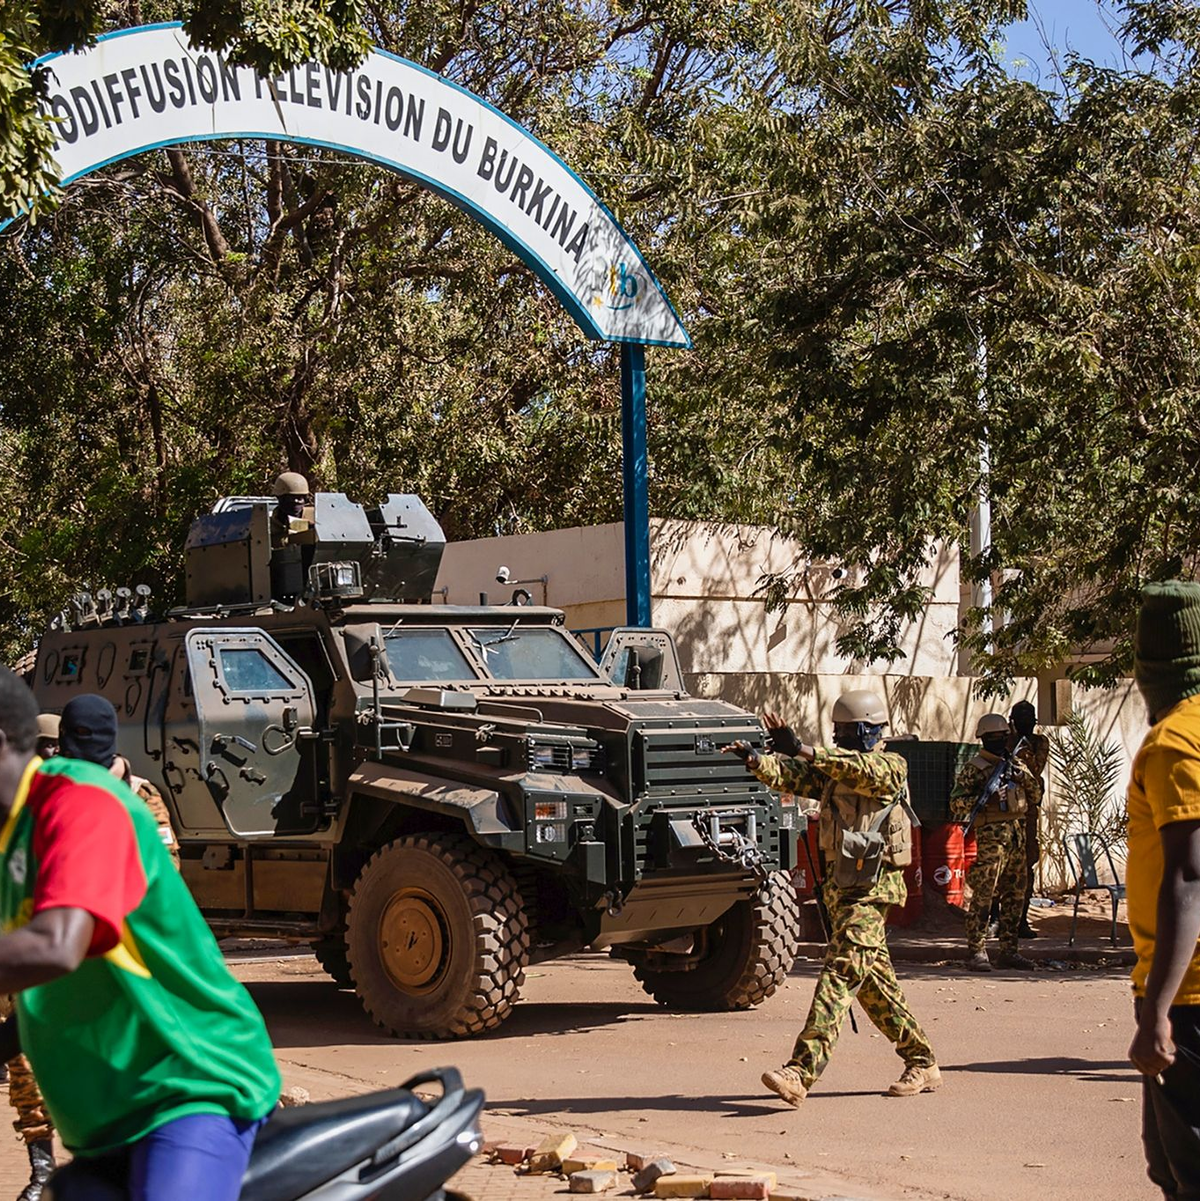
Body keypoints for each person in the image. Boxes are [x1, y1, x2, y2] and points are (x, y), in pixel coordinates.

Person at [0, 666, 280, 1199]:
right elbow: (44, 988)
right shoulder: (11, 838)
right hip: (109, 1117)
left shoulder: (80, 801)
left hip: (190, 1088)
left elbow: (57, 947)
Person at [723, 690, 940, 1107]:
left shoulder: (890, 766)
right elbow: (794, 776)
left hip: (873, 892)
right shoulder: (838, 768)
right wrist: (756, 760)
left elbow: (853, 768)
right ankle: (923, 1059)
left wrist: (804, 748)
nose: (838, 739)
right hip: (843, 891)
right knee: (875, 986)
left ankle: (801, 1072)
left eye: (845, 732)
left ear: (866, 730)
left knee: (839, 975)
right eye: (835, 733)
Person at [1126, 581, 1200, 1199]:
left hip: (1189, 995)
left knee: (1188, 1174)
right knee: (1165, 1167)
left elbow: (1187, 874)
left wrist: (1156, 1011)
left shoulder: (1177, 741)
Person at [950, 714, 1036, 972]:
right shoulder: (975, 768)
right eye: (993, 737)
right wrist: (983, 798)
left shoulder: (1016, 763)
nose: (998, 741)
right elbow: (956, 803)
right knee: (984, 895)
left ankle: (1009, 950)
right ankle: (977, 950)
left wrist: (1023, 777)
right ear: (983, 739)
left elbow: (1036, 794)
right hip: (990, 837)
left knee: (1015, 894)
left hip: (1016, 835)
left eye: (1002, 737)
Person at [59, 694, 179, 868]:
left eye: (81, 733)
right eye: (63, 732)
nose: (68, 744)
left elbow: (165, 863)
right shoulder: (50, 786)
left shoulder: (138, 794)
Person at [1009, 700, 1050, 939]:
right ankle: (996, 917)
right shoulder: (1003, 740)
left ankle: (1022, 919)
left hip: (1028, 813)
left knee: (1026, 864)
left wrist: (1020, 744)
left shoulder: (1038, 743)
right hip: (1005, 813)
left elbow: (1034, 770)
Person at [270, 471, 315, 549]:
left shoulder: (316, 518)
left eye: (300, 498)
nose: (296, 501)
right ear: (280, 498)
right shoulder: (268, 526)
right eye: (291, 498)